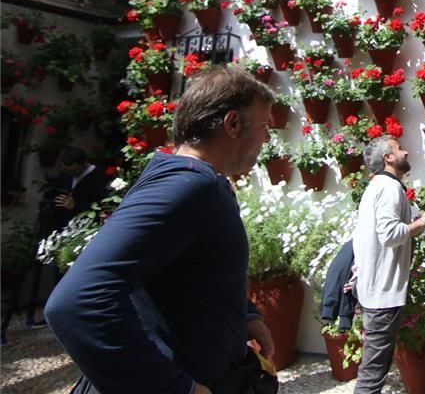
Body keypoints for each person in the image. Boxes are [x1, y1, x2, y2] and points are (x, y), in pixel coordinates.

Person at [45, 65, 278, 394]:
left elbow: (180, 272)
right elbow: (76, 302)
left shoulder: (188, 179)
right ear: (233, 124)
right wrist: (174, 388)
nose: (267, 138)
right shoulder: (188, 186)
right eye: (265, 126)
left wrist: (244, 314)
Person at [352, 135, 425, 394]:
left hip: (375, 289)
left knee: (374, 367)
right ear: (388, 157)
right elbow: (389, 235)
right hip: (382, 294)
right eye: (400, 148)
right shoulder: (389, 188)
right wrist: (422, 223)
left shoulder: (377, 186)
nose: (407, 152)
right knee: (372, 374)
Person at [25, 147, 108, 328]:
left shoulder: (98, 177)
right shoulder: (65, 177)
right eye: (66, 170)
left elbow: (102, 204)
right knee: (59, 270)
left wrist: (76, 205)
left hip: (85, 229)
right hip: (63, 228)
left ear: (83, 164)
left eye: (73, 170)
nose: (70, 173)